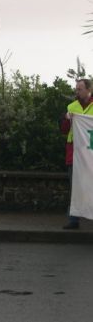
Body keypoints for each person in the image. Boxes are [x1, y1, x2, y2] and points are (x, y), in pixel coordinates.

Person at [61, 79, 93, 230]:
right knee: (75, 186)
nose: (77, 92)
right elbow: (64, 129)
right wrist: (67, 119)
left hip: (91, 152)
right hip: (74, 153)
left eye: (80, 89)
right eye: (76, 89)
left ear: (88, 90)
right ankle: (73, 219)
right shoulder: (71, 107)